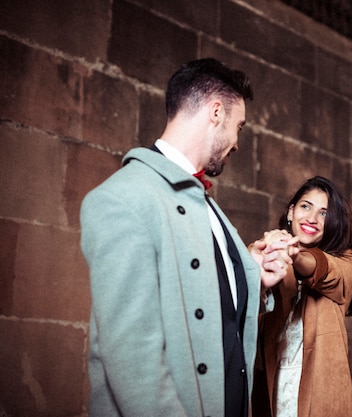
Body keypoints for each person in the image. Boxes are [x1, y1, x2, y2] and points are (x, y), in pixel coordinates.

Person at [80, 58, 294, 417]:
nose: (237, 143)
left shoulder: (207, 205)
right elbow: (133, 355)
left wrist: (251, 275)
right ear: (215, 112)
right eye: (238, 125)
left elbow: (206, 303)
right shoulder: (121, 198)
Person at [252, 176, 352, 417]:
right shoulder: (272, 251)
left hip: (319, 397)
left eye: (324, 213)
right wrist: (258, 255)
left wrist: (295, 253)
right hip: (270, 390)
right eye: (305, 206)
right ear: (291, 211)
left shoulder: (350, 261)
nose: (312, 218)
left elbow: (325, 270)